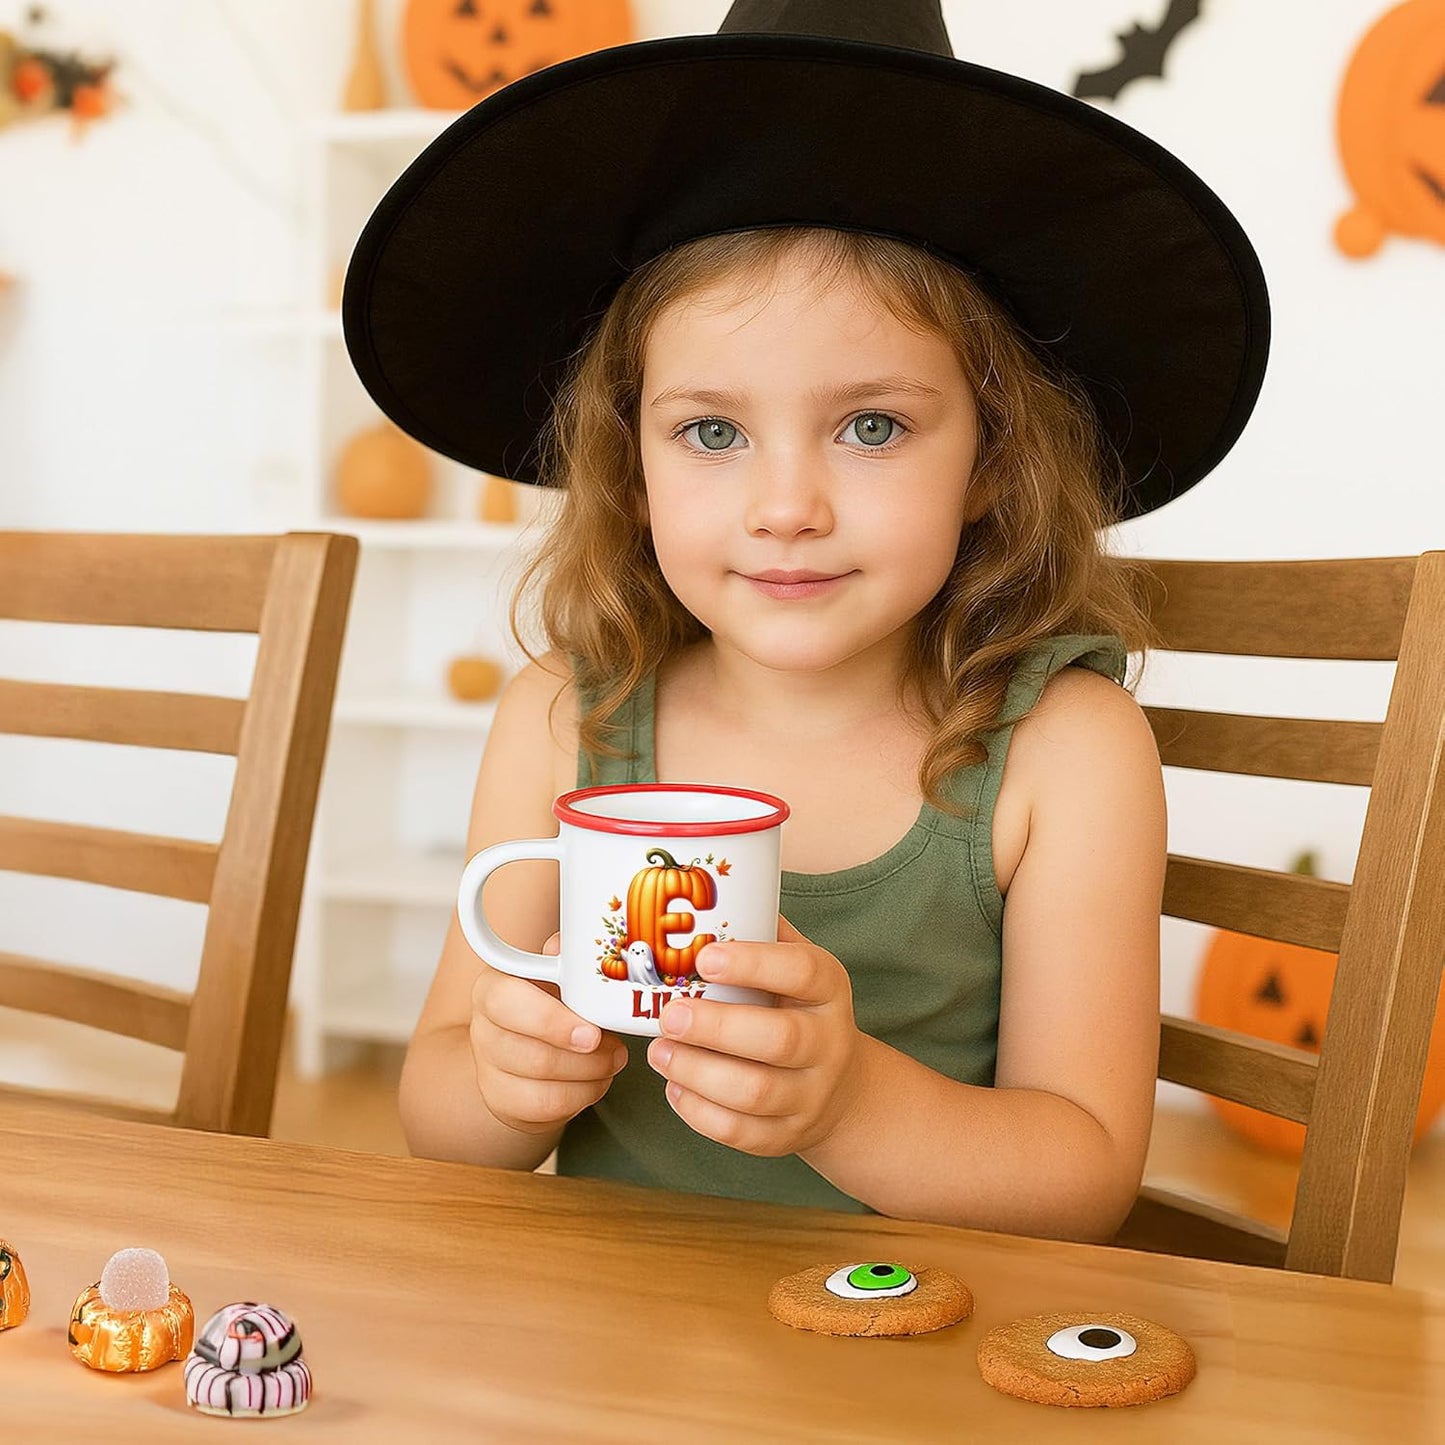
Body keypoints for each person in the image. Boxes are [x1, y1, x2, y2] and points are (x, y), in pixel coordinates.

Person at [343, 0, 1269, 1242]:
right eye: (711, 431)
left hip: (916, 1358)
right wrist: (507, 1084)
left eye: (871, 426)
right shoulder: (563, 719)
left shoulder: (1062, 749)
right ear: (632, 468)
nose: (786, 507)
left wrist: (844, 1102)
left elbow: (1082, 1175)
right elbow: (437, 1118)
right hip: (608, 1362)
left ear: (991, 458)